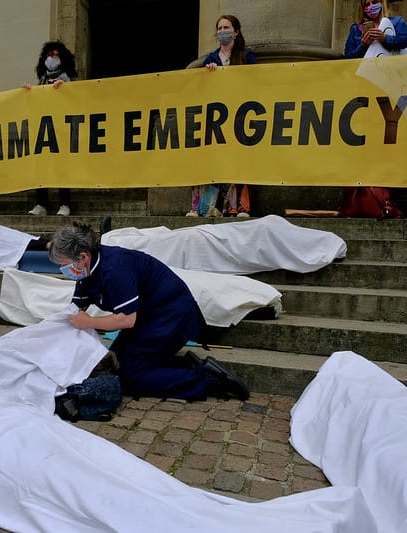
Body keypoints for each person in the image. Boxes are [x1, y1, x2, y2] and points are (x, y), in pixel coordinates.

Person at [48, 222, 249, 401]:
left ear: (83, 257)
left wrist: (89, 322)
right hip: (146, 317)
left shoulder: (115, 269)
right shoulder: (84, 274)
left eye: (64, 265)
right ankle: (182, 366)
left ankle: (208, 379)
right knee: (113, 363)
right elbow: (75, 312)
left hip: (171, 315)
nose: (63, 271)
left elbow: (126, 320)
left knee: (129, 378)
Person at [189, 15, 256, 219]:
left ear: (235, 31)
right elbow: (201, 89)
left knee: (238, 159)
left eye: (226, 27)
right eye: (219, 28)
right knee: (209, 160)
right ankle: (203, 207)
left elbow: (256, 81)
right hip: (216, 117)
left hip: (240, 116)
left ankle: (238, 207)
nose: (222, 31)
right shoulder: (211, 59)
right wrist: (208, 75)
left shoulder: (246, 56)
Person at [25, 41, 77, 217]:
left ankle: (65, 203)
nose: (52, 59)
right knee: (41, 166)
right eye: (49, 55)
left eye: (55, 55)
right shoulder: (42, 79)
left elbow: (76, 100)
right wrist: (30, 93)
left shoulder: (67, 78)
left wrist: (64, 90)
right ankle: (41, 204)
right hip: (43, 127)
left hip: (61, 128)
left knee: (61, 166)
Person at [343, 0, 407, 59]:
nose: (371, 6)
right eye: (367, 4)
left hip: (392, 68)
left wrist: (385, 38)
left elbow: (405, 41)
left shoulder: (396, 21)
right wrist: (363, 46)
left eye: (374, 2)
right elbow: (348, 57)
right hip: (368, 70)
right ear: (363, 9)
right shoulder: (356, 29)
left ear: (381, 3)